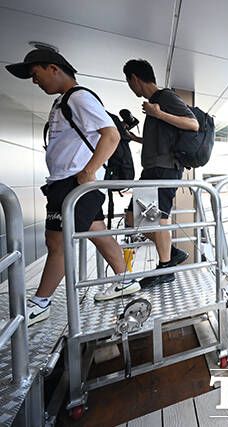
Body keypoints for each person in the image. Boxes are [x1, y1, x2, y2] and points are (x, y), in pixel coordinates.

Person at [6, 49, 139, 325]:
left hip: (73, 183)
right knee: (96, 231)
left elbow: (111, 135)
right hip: (70, 182)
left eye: (35, 74)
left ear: (53, 68)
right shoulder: (65, 100)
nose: (34, 81)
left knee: (57, 242)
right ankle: (126, 280)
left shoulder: (78, 97)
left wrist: (88, 171)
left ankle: (41, 302)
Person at [122, 59, 198, 288]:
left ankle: (165, 268)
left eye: (129, 82)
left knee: (159, 218)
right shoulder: (155, 103)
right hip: (152, 169)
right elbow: (160, 140)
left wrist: (158, 113)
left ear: (135, 78)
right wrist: (134, 138)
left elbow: (193, 124)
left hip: (165, 169)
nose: (130, 87)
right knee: (133, 219)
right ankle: (171, 253)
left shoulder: (164, 97)